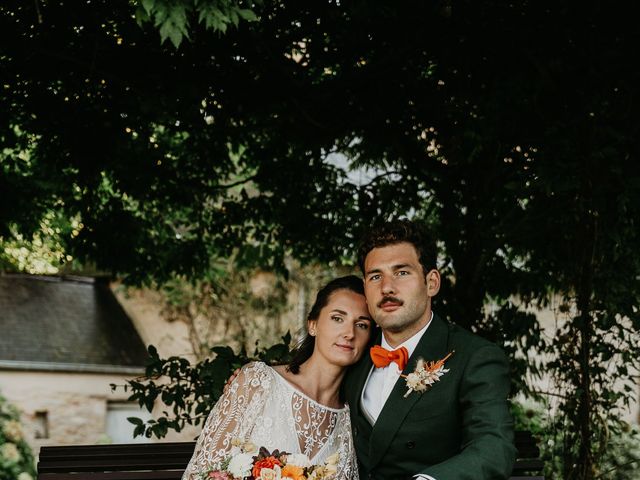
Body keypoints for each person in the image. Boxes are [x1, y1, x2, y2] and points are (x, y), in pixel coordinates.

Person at [343, 220, 516, 480]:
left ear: (432, 282)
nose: (387, 287)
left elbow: (493, 447)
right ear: (365, 288)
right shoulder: (352, 351)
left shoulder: (474, 357)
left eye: (402, 272)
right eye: (375, 276)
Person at [182, 275, 373, 480]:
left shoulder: (354, 417)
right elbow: (200, 473)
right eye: (337, 318)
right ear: (313, 325)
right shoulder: (258, 381)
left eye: (362, 324)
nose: (349, 333)